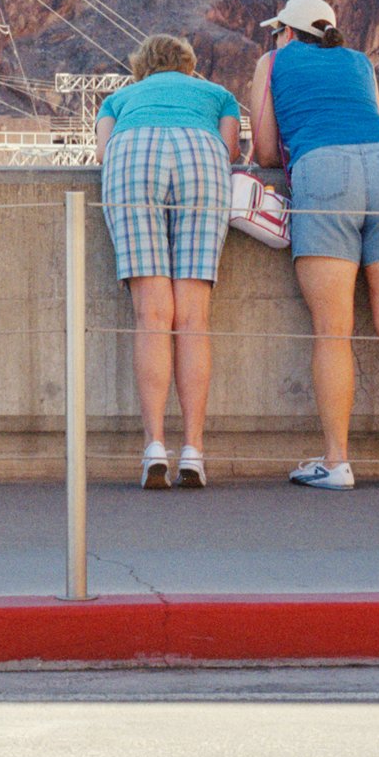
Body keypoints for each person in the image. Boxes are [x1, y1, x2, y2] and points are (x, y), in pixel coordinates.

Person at [248, 0, 379, 492]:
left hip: (325, 168)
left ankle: (336, 462)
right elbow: (371, 115)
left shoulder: (273, 61)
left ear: (286, 32)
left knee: (333, 329)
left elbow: (265, 148)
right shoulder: (360, 63)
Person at [97, 34, 241, 490]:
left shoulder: (118, 99)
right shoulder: (218, 95)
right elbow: (231, 150)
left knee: (152, 316)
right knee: (193, 319)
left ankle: (154, 447)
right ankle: (193, 451)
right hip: (201, 152)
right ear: (188, 65)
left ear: (142, 68)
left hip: (133, 153)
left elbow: (102, 154)